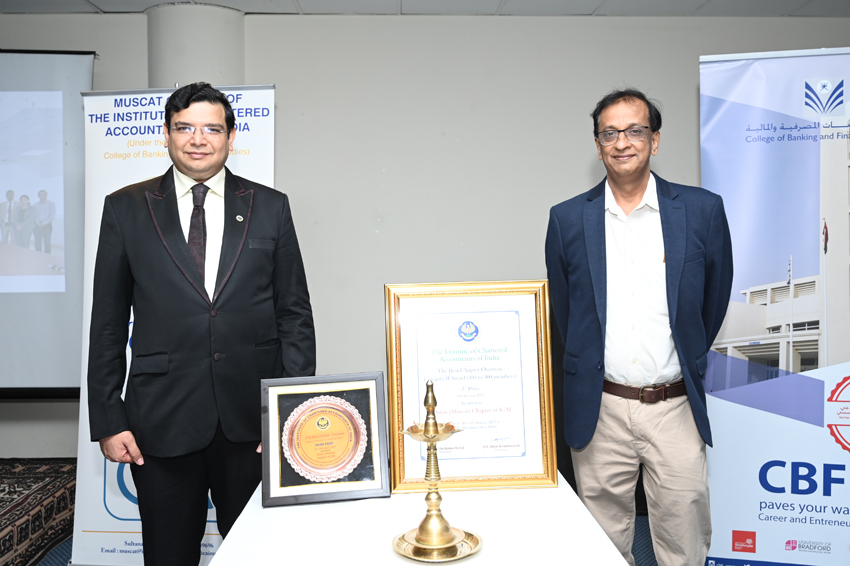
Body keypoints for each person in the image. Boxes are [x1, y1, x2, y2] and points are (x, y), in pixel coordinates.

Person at [87, 82, 316, 565]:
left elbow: (294, 314)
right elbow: (107, 322)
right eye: (184, 128)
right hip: (161, 422)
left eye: (212, 129)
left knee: (258, 555)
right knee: (168, 555)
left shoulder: (270, 206)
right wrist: (108, 420)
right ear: (166, 135)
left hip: (253, 422)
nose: (198, 140)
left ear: (231, 136)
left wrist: (290, 412)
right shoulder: (125, 208)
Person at [545, 88, 733, 566]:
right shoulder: (567, 219)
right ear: (597, 145)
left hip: (675, 407)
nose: (622, 142)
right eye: (610, 133)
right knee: (600, 542)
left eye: (634, 130)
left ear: (655, 140)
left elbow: (712, 303)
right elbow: (566, 313)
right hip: (601, 408)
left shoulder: (702, 211)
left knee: (684, 537)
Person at [33, 189, 56, 253]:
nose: (43, 196)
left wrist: (44, 223)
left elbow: (52, 215)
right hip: (37, 226)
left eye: (44, 194)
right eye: (41, 194)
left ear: (47, 195)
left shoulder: (51, 204)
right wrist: (38, 222)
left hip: (47, 226)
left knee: (47, 243)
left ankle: (47, 257)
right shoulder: (35, 205)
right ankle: (38, 256)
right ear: (38, 196)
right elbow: (33, 215)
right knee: (37, 243)